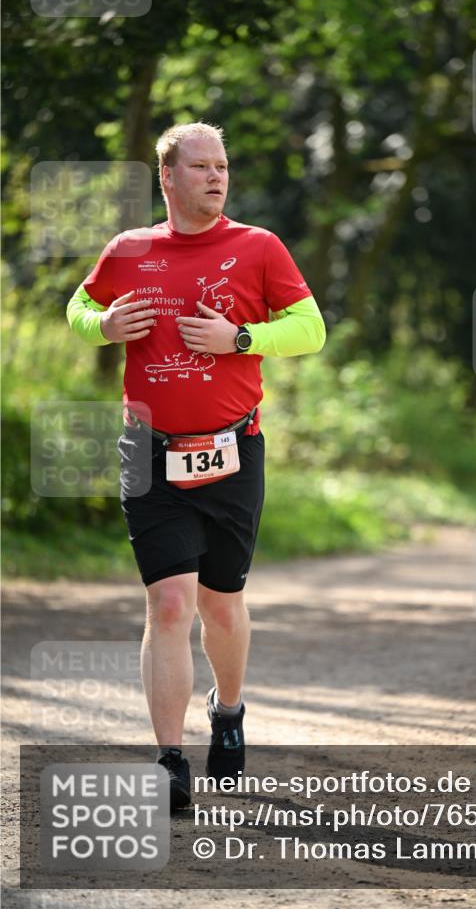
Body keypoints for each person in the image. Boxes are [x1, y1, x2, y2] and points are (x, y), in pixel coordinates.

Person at [66, 122, 326, 808]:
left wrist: (240, 338)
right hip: (148, 451)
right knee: (170, 603)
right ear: (167, 177)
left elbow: (311, 329)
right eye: (202, 166)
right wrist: (101, 326)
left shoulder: (258, 246)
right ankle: (169, 759)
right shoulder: (130, 249)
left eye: (223, 166)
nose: (216, 177)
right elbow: (80, 304)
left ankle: (228, 710)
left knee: (221, 604)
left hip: (233, 451)